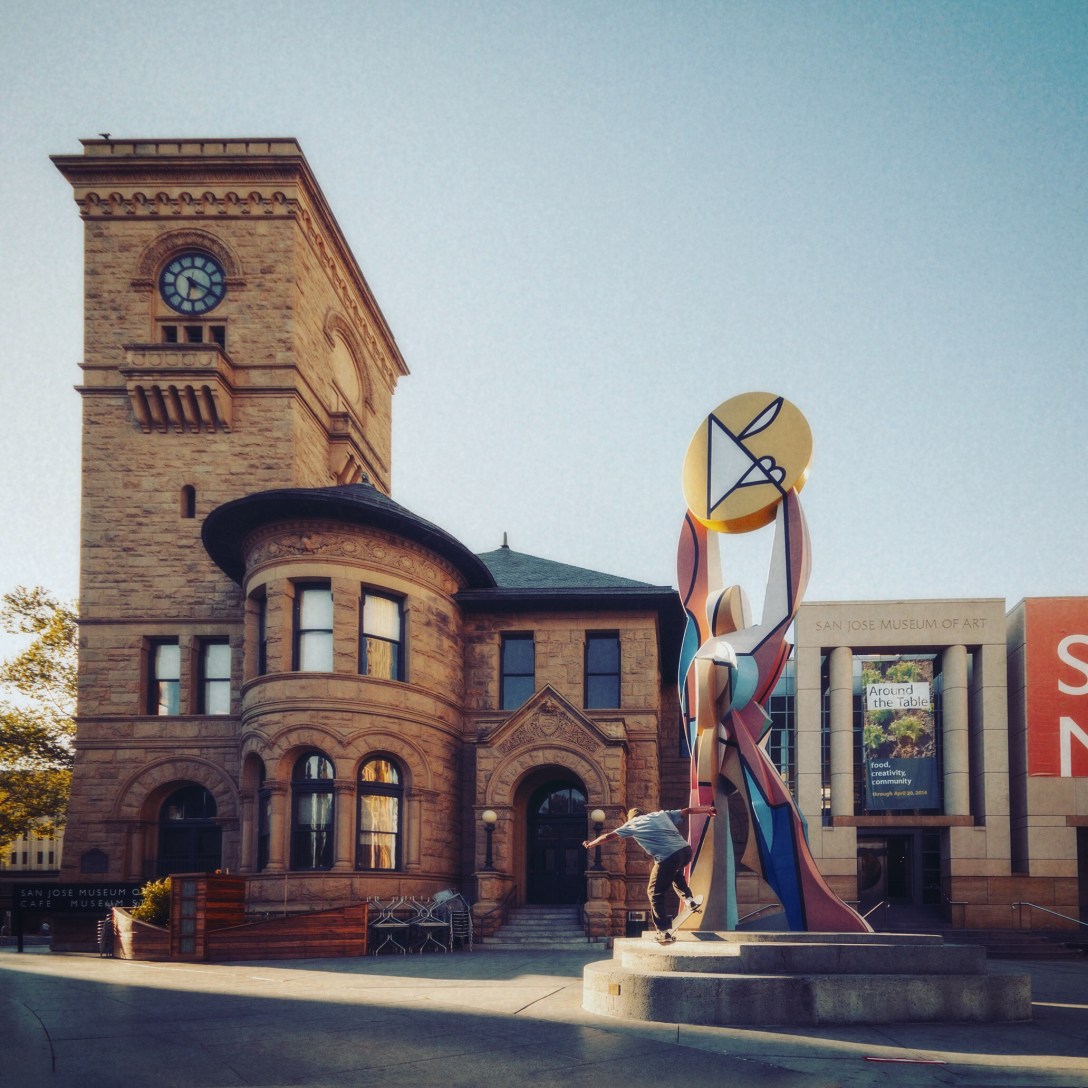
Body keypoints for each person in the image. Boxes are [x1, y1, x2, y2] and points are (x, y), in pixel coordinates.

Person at [584, 805, 716, 943]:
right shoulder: (660, 814)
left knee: (654, 893)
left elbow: (607, 836)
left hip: (668, 856)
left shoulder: (632, 824)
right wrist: (707, 809)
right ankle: (689, 900)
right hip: (685, 851)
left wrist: (590, 844)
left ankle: (663, 932)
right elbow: (688, 810)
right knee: (674, 873)